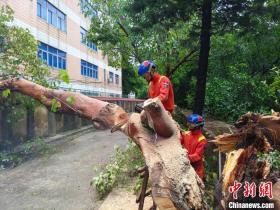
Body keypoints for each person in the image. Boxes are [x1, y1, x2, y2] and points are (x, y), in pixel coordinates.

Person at [180, 114, 207, 179]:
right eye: (188, 122)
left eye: (191, 123)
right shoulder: (186, 134)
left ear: (197, 126)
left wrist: (185, 157)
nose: (188, 124)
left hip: (196, 169)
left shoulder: (202, 139)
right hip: (185, 165)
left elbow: (197, 156)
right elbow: (179, 141)